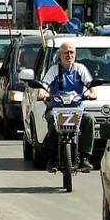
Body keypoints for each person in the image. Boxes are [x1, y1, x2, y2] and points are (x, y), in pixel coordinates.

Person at [37, 41, 97, 173]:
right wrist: (43, 94)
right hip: (56, 109)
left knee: (89, 120)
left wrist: (92, 93)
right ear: (60, 55)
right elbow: (43, 86)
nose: (69, 55)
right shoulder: (53, 70)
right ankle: (52, 158)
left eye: (71, 52)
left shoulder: (80, 69)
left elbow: (91, 84)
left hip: (76, 110)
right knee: (52, 119)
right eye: (66, 52)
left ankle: (85, 158)